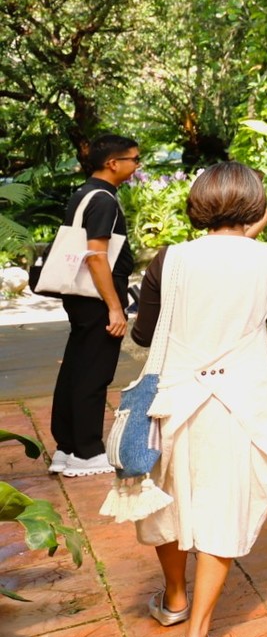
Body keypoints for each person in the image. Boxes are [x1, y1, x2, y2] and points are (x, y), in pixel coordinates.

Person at [127, 163, 267, 637]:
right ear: (254, 202)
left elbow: (144, 334)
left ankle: (174, 599)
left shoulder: (171, 259)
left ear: (199, 202)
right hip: (239, 401)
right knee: (225, 507)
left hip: (174, 400)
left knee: (167, 499)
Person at [47, 134, 142, 478]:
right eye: (134, 159)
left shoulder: (84, 193)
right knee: (94, 373)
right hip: (98, 296)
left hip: (80, 295)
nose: (138, 165)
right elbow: (97, 256)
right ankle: (87, 452)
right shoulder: (103, 200)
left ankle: (66, 447)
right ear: (113, 163)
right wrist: (115, 306)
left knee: (76, 367)